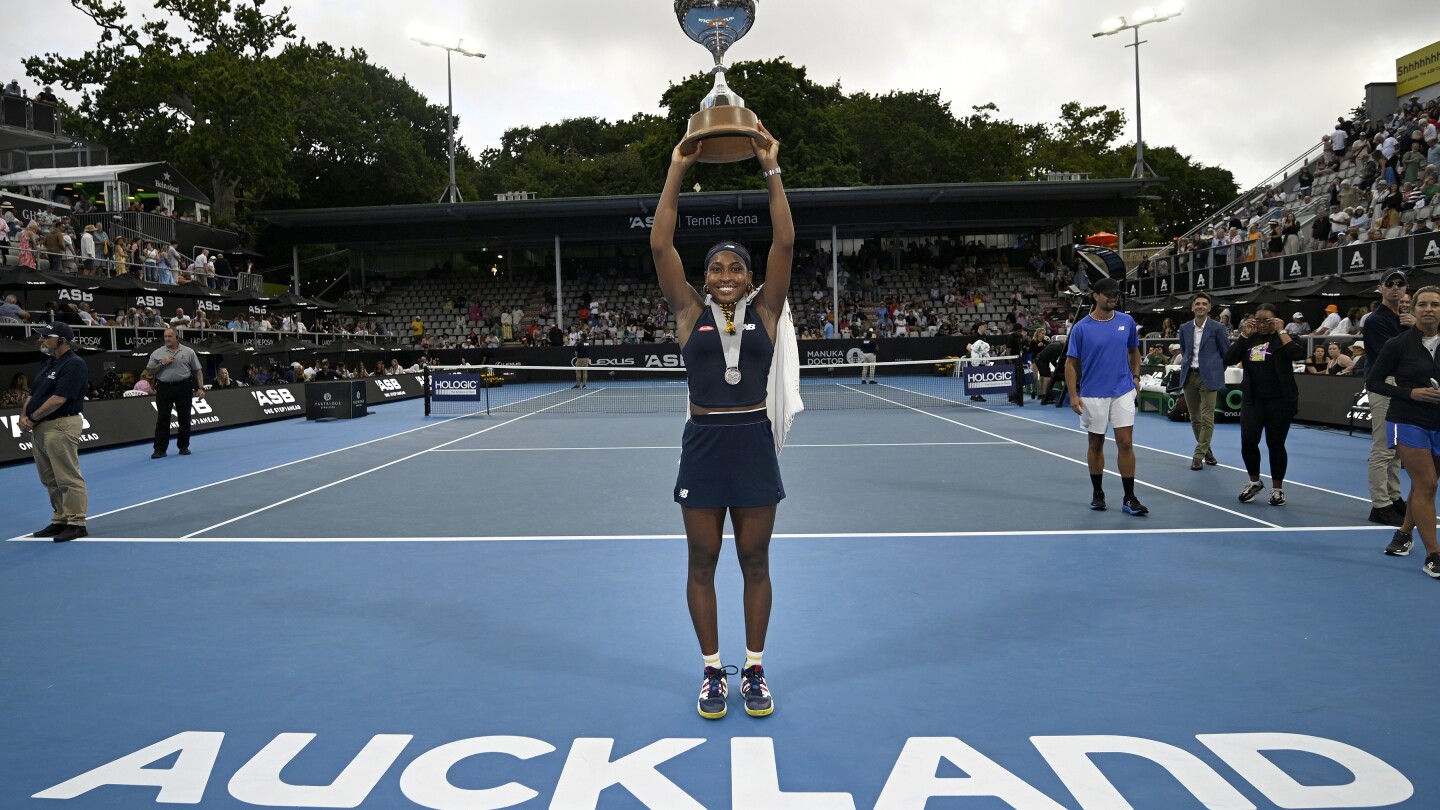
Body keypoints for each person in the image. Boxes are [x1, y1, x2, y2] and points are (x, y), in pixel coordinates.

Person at [651, 122, 792, 720]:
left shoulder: (766, 308)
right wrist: (678, 168)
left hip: (753, 442)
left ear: (752, 277)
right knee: (702, 561)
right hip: (704, 443)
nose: (726, 274)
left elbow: (785, 241)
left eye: (736, 266)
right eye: (716, 268)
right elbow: (661, 247)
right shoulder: (688, 313)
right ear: (704, 278)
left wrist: (770, 168)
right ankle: (713, 672)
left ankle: (754, 668)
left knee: (755, 562)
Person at [1365, 285, 1440, 579]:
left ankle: (1403, 534)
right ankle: (1434, 555)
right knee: (1428, 483)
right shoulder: (1397, 344)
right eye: (1423, 304)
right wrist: (1410, 393)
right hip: (1407, 419)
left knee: (1425, 486)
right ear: (1413, 309)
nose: (1429, 309)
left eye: (1435, 304)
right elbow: (1374, 382)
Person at [1065, 276, 1147, 515]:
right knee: (1096, 443)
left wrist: (1135, 377)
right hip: (1092, 395)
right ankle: (1098, 493)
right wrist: (1073, 395)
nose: (1113, 298)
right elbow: (1070, 364)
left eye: (1116, 295)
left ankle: (1129, 497)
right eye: (1109, 295)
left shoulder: (1127, 321)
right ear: (1096, 297)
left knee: (1125, 442)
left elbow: (1133, 351)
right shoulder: (1081, 328)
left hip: (1122, 391)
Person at [1225, 304, 1306, 506]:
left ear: (1277, 321)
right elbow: (1228, 358)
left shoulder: (1283, 338)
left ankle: (1277, 490)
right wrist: (1243, 335)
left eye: (1267, 321)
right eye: (1257, 320)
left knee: (1275, 444)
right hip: (1253, 400)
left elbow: (1297, 354)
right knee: (1248, 441)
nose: (1261, 324)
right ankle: (1254, 483)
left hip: (1280, 401)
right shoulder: (1249, 339)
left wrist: (1281, 331)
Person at [20, 323, 89, 541]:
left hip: (61, 425)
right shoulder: (48, 363)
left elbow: (59, 399)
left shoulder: (74, 364)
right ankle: (60, 519)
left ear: (61, 340)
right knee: (49, 478)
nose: (41, 340)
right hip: (41, 427)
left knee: (67, 476)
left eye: (45, 337)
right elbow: (33, 394)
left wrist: (31, 418)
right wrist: (24, 416)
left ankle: (77, 522)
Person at [1364, 269, 1413, 527]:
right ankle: (1380, 504)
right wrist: (1413, 331)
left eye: (1400, 284)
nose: (1395, 288)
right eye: (1390, 284)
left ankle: (1394, 498)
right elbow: (1392, 355)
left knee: (1396, 449)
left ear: (1406, 289)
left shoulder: (1404, 319)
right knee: (1383, 448)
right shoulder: (1375, 321)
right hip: (1385, 385)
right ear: (1380, 288)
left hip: (1401, 385)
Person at [1178, 291, 1231, 470]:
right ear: (1193, 307)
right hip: (1189, 376)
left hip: (1209, 377)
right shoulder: (1185, 328)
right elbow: (1185, 350)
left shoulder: (1218, 328)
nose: (1200, 306)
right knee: (1195, 418)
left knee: (1208, 418)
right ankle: (1207, 451)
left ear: (1209, 308)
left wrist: (1215, 370)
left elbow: (1227, 354)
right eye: (1197, 304)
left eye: (1204, 304)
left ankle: (1198, 455)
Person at [145, 327, 205, 458]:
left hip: (184, 388)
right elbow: (149, 372)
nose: (167, 339)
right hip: (164, 388)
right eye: (165, 336)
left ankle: (183, 447)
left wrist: (200, 387)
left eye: (169, 336)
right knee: (163, 419)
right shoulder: (157, 353)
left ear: (176, 337)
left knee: (185, 418)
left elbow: (197, 370)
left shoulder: (188, 352)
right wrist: (162, 363)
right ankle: (160, 449)